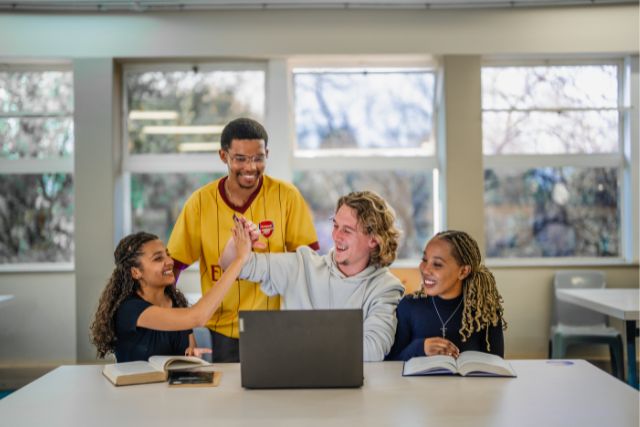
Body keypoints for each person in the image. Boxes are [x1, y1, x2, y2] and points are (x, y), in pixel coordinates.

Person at [167, 117, 319, 363]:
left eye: (258, 158)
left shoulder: (287, 197)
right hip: (221, 331)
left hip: (276, 328)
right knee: (227, 400)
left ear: (267, 154)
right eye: (240, 158)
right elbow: (172, 269)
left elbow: (309, 265)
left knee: (274, 400)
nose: (250, 167)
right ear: (223, 156)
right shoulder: (200, 203)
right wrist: (180, 327)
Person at [221, 190, 405, 362]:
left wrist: (296, 341)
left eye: (347, 230)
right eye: (335, 225)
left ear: (373, 239)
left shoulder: (386, 287)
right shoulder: (301, 265)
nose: (336, 236)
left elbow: (374, 348)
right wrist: (238, 240)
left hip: (351, 393)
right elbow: (231, 266)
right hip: (294, 386)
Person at [90, 221, 251, 362]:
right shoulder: (129, 310)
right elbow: (198, 317)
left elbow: (188, 353)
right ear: (135, 272)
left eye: (167, 255)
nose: (169, 262)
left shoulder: (176, 303)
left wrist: (192, 357)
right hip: (136, 394)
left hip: (171, 394)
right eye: (158, 258)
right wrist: (239, 260)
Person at [385, 230, 507, 361]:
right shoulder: (408, 307)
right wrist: (420, 347)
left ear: (463, 271)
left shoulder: (485, 312)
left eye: (437, 264)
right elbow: (391, 364)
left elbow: (496, 367)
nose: (425, 269)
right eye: (424, 260)